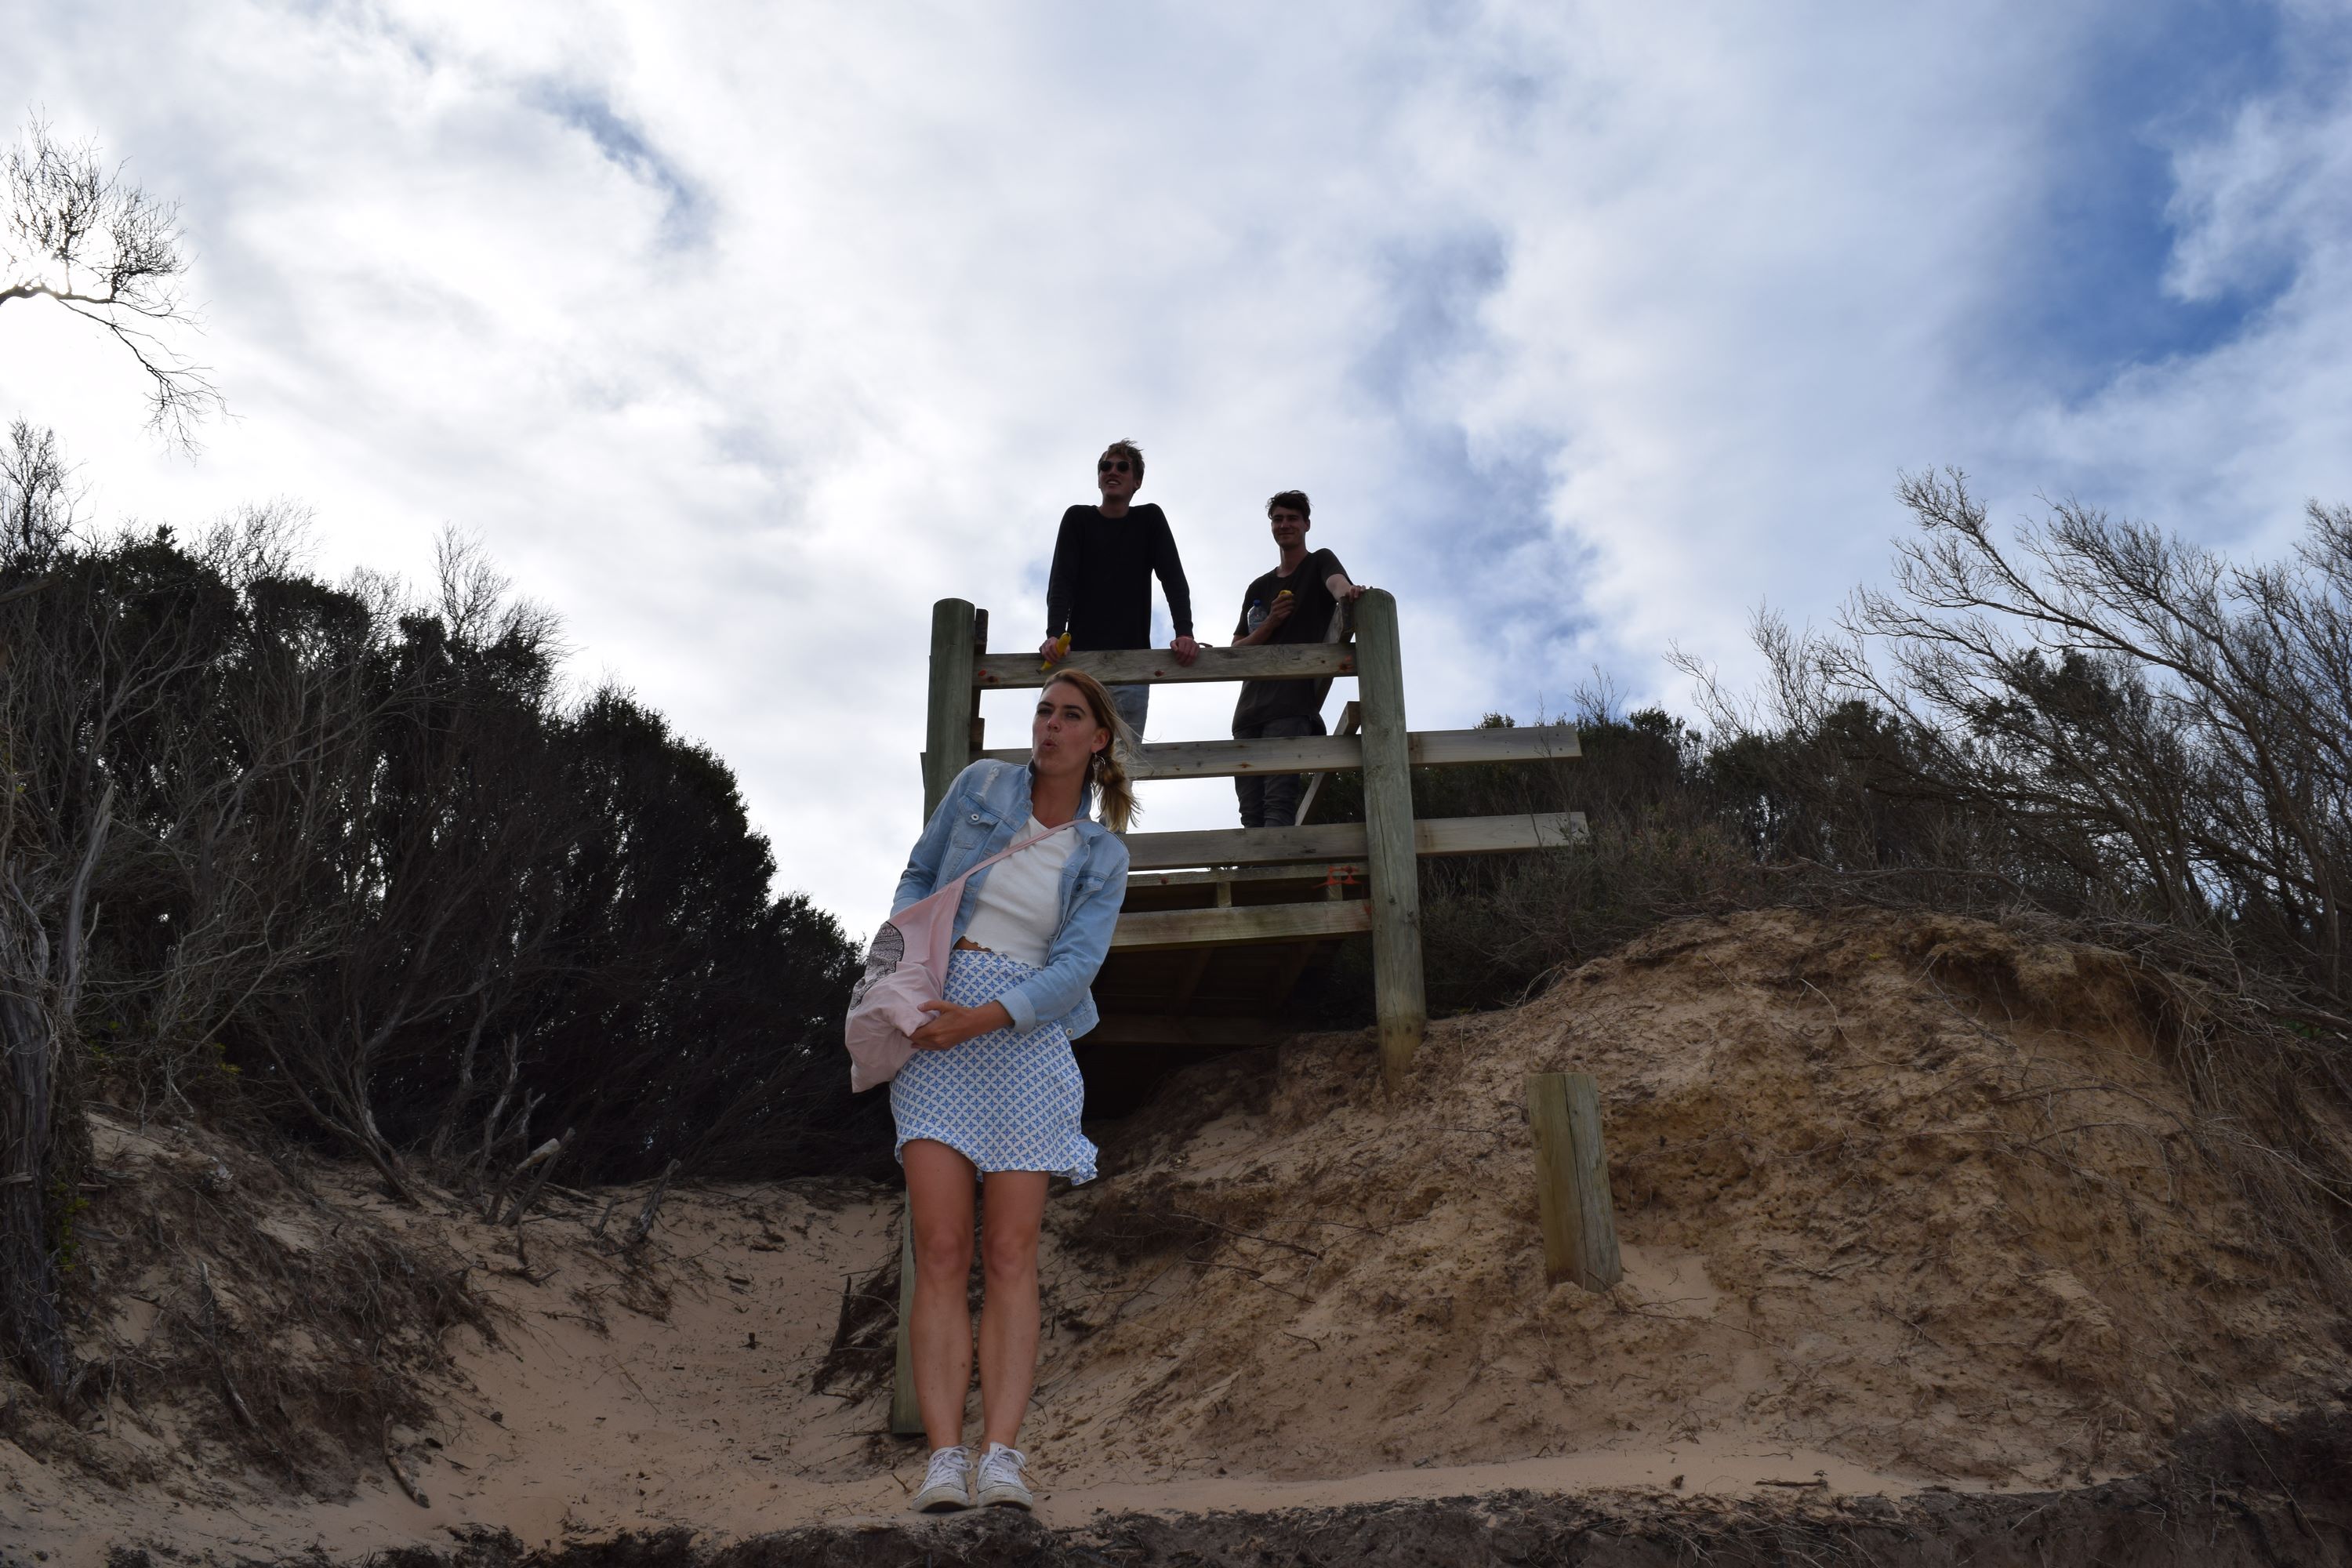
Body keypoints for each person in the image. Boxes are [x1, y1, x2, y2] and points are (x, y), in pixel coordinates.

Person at [887, 669, 1135, 1513]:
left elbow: (1075, 970)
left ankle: (1001, 1457)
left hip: (1024, 1036)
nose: (1050, 726)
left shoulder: (1102, 855)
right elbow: (919, 876)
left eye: (1070, 716)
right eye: (1043, 711)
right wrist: (909, 972)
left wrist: (984, 1019)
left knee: (1009, 1252)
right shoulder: (981, 788)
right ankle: (942, 1460)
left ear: (1097, 740)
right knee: (940, 1246)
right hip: (938, 1019)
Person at [1039, 440, 1200, 739]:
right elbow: (1061, 581)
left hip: (1132, 664)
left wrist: (1185, 633)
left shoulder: (1149, 520)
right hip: (1079, 663)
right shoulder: (1078, 519)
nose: (1112, 471)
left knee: (1124, 759)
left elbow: (1173, 579)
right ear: (1099, 477)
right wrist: (1054, 634)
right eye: (1106, 466)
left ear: (1137, 481)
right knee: (1065, 752)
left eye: (1122, 467)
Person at [1229, 490, 1368, 828]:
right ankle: (1259, 866)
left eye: (1292, 518)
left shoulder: (1319, 561)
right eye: (1278, 519)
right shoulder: (1258, 587)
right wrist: (1272, 622)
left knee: (1278, 806)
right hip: (1248, 711)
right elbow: (1236, 651)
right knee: (1250, 815)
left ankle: (1277, 864)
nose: (1285, 525)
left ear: (1306, 524)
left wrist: (1349, 593)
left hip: (1291, 706)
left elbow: (1336, 583)